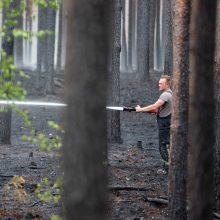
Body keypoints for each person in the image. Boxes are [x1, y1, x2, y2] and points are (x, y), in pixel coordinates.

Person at [135, 75, 173, 167]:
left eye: (161, 83)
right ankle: (168, 168)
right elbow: (157, 109)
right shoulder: (170, 94)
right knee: (166, 145)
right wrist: (151, 111)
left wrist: (140, 110)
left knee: (163, 146)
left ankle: (167, 169)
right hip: (167, 122)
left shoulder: (165, 95)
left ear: (167, 85)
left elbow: (154, 106)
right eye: (159, 83)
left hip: (165, 123)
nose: (158, 85)